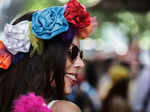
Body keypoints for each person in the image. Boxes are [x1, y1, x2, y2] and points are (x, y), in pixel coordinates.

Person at [0, 0, 97, 112]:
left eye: (81, 55)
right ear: (41, 56)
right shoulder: (64, 109)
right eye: (72, 53)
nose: (81, 64)